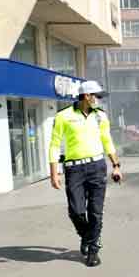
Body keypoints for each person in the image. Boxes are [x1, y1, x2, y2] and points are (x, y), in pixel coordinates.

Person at [48, 81, 122, 267]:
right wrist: (54, 173)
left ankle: (93, 250)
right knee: (76, 211)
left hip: (97, 167)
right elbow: (54, 144)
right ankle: (88, 237)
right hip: (74, 170)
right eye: (96, 96)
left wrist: (116, 165)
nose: (99, 99)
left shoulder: (101, 117)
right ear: (86, 96)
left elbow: (107, 141)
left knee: (96, 212)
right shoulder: (63, 116)